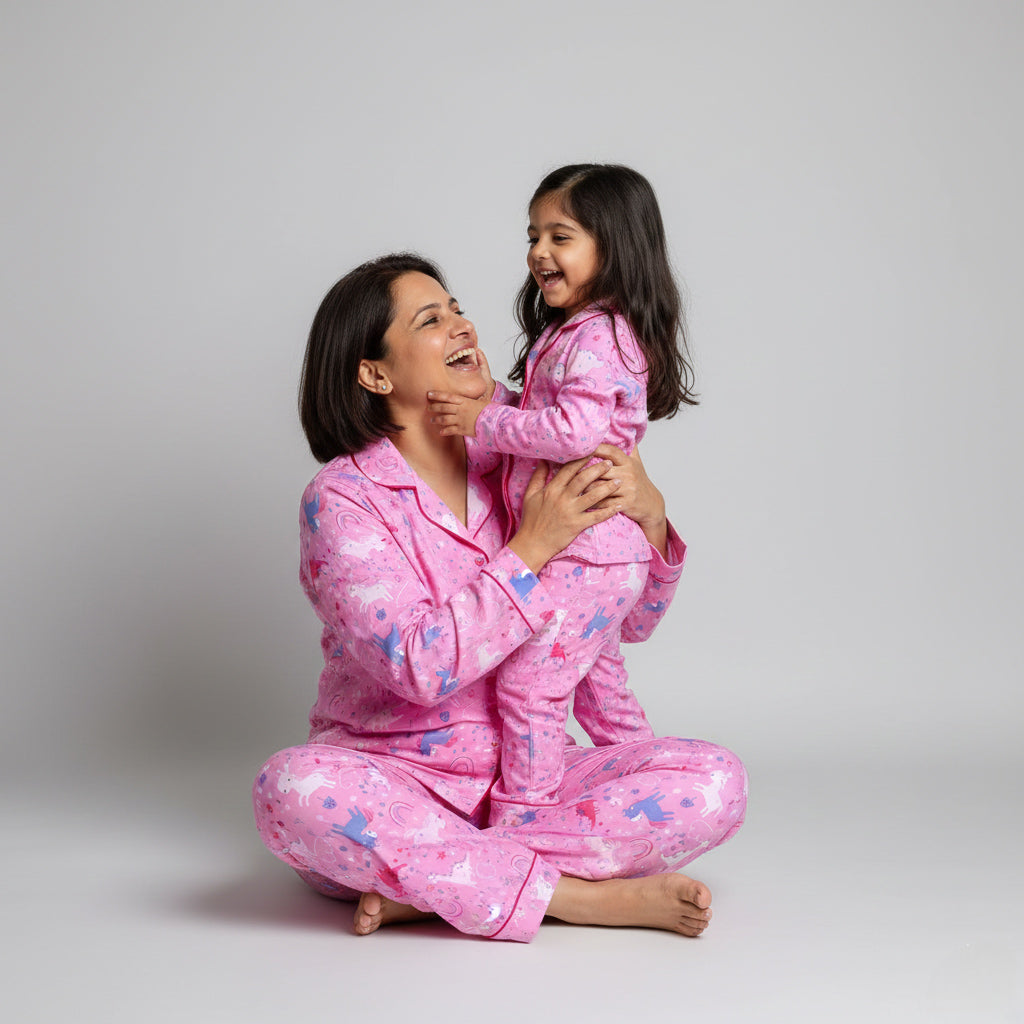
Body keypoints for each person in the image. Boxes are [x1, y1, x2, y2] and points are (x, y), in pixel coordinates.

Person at [251, 252, 746, 943]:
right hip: (396, 784)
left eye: (456, 308)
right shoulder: (342, 500)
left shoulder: (527, 445)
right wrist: (531, 548)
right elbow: (417, 668)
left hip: (529, 779)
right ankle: (577, 898)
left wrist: (652, 518)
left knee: (715, 781)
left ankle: (437, 889)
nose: (461, 325)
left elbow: (625, 626)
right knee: (291, 792)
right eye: (431, 319)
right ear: (374, 373)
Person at [427, 164, 698, 828]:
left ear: (614, 248)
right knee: (600, 690)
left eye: (561, 236)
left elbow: (573, 432)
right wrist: (495, 400)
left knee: (528, 688)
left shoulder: (598, 336)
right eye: (533, 235)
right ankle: (649, 788)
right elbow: (558, 414)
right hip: (599, 555)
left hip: (588, 555)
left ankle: (523, 824)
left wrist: (484, 421)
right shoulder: (578, 331)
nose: (538, 253)